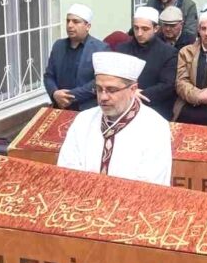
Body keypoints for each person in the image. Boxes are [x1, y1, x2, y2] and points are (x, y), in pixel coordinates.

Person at [58, 51, 172, 186]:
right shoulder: (83, 120)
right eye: (99, 89)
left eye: (111, 90)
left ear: (132, 89)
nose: (103, 97)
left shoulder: (155, 127)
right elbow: (66, 170)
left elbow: (150, 186)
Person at [113, 6, 179, 120]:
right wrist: (129, 93)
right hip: (123, 106)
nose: (139, 33)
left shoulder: (168, 53)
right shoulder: (122, 49)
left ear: (156, 28)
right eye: (136, 28)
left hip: (154, 108)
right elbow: (114, 77)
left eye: (145, 29)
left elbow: (167, 86)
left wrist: (138, 95)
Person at [44, 3, 108, 111]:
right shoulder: (58, 46)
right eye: (68, 21)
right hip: (59, 107)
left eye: (75, 21)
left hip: (86, 109)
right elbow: (49, 76)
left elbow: (99, 81)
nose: (70, 25)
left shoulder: (100, 49)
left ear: (87, 26)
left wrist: (68, 96)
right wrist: (55, 93)